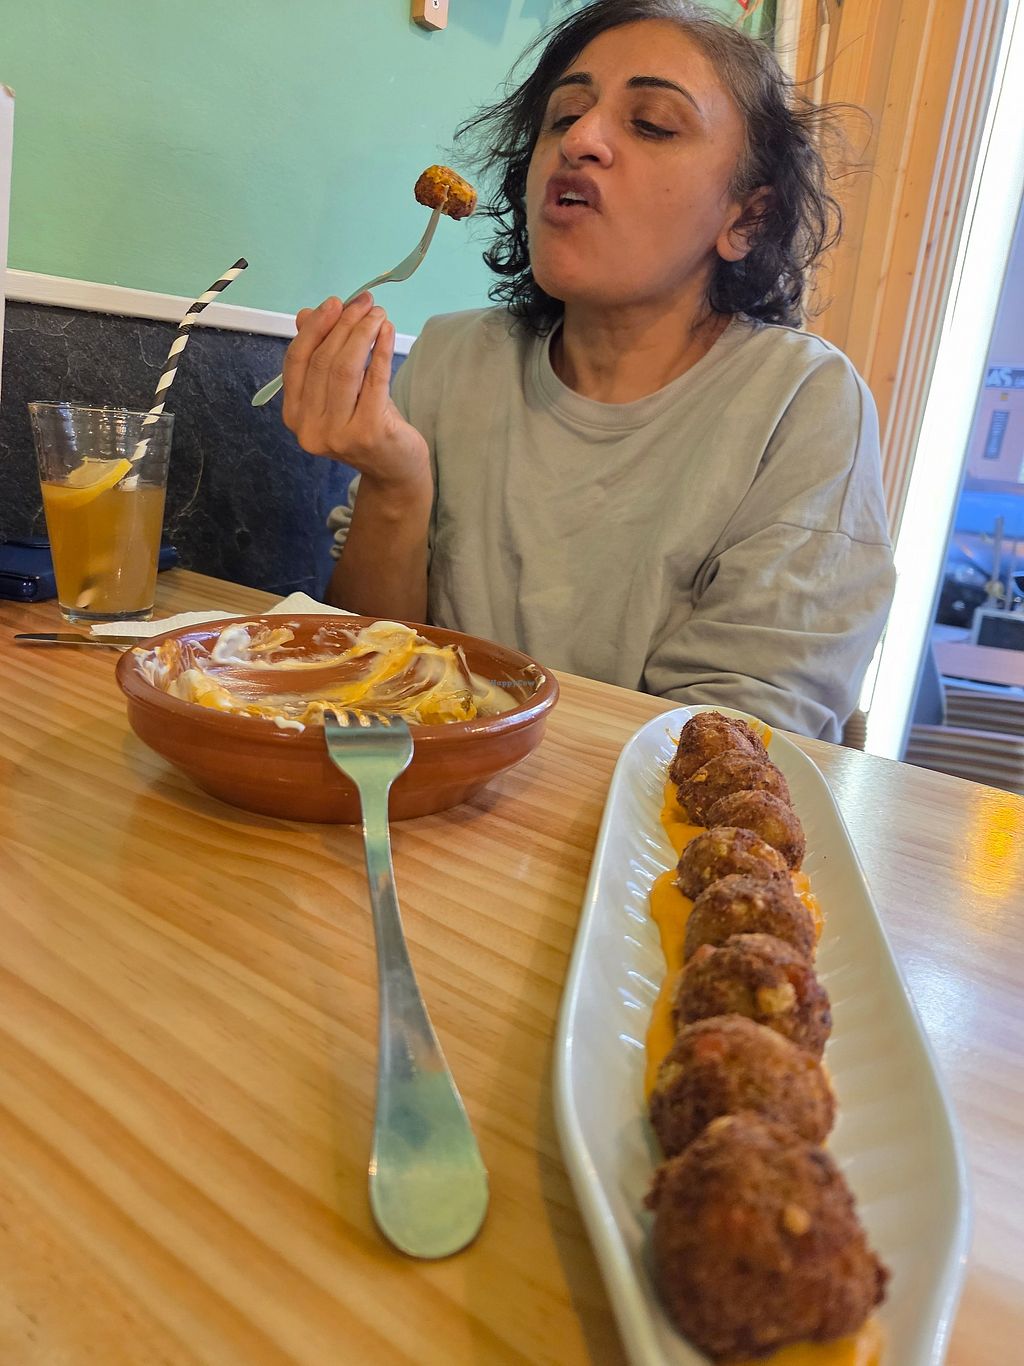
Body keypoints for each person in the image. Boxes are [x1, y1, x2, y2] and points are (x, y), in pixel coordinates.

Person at [281, 0, 896, 742]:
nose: (580, 140)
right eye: (564, 115)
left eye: (653, 125)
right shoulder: (449, 357)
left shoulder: (800, 402)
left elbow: (733, 742)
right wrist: (394, 485)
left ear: (747, 219)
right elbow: (364, 686)